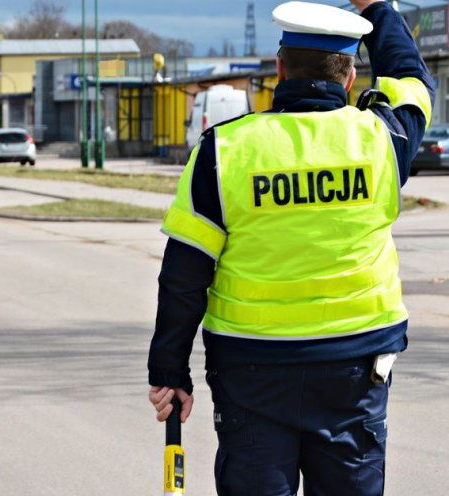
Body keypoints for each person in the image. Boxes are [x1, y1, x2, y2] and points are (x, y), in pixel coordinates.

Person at [146, 1, 434, 494]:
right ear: (348, 79)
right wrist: (378, 11)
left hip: (251, 371)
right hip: (356, 367)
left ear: (279, 69)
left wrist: (170, 370)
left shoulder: (223, 150)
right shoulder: (382, 139)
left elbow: (185, 274)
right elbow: (411, 80)